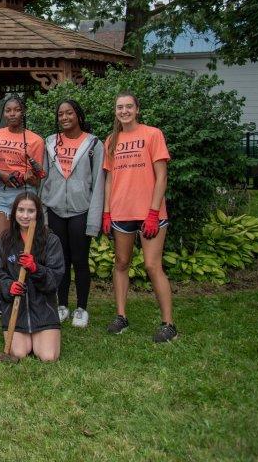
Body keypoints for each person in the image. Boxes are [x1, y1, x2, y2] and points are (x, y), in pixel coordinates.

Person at [102, 92, 177, 342]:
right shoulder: (111, 140)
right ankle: (121, 316)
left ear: (137, 109)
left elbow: (162, 175)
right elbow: (110, 178)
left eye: (129, 107)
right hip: (121, 211)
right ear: (115, 111)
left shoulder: (152, 134)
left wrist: (154, 212)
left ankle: (168, 324)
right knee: (121, 263)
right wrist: (106, 211)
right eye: (119, 107)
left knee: (152, 265)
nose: (124, 111)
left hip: (149, 213)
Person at [41, 99, 104, 328]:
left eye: (69, 113)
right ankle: (62, 305)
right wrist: (43, 212)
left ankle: (82, 307)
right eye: (60, 114)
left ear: (78, 114)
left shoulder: (94, 144)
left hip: (81, 210)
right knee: (60, 261)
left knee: (79, 260)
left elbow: (98, 183)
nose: (65, 117)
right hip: (56, 208)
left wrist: (94, 220)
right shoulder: (50, 143)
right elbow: (43, 179)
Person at [0, 192, 64, 362]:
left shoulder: (51, 241)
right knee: (18, 353)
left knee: (48, 356)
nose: (25, 215)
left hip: (43, 309)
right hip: (16, 310)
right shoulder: (6, 240)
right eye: (21, 210)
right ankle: (26, 340)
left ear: (38, 214)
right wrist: (9, 286)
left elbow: (54, 280)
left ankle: (41, 338)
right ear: (14, 212)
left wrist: (35, 268)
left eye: (30, 211)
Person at [0, 95, 45, 276]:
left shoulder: (35, 140)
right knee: (3, 243)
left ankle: (24, 283)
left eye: (17, 110)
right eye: (8, 110)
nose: (12, 114)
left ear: (24, 112)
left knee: (24, 245)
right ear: (4, 113)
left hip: (25, 193)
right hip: (2, 193)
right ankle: (3, 289)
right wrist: (0, 174)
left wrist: (28, 177)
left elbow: (38, 179)